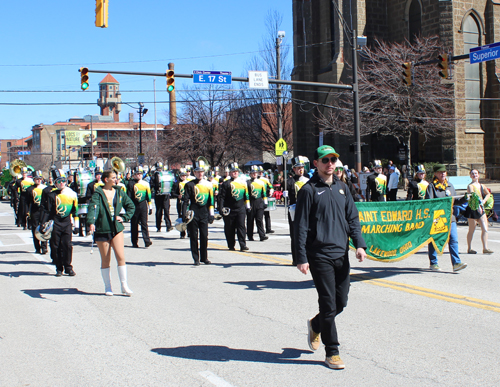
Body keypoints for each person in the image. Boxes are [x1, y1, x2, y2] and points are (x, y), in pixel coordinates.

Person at [294, 145, 367, 370]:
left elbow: (353, 219)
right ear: (315, 163)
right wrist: (301, 257)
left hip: (340, 254)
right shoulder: (308, 190)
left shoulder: (343, 188)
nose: (330, 164)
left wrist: (359, 245)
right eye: (325, 160)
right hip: (319, 256)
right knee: (328, 303)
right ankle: (332, 351)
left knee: (340, 302)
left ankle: (316, 324)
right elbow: (300, 227)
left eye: (333, 159)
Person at [87, 170, 136, 296]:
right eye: (113, 178)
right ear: (106, 180)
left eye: (116, 177)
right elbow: (93, 208)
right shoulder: (98, 193)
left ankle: (124, 285)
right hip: (102, 228)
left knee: (121, 257)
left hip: (116, 228)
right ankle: (108, 287)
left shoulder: (119, 192)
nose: (116, 179)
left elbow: (131, 206)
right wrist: (91, 222)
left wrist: (124, 217)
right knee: (106, 259)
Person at [425, 164, 468, 272]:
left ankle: (456, 263)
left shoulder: (450, 186)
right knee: (435, 240)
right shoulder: (431, 187)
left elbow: (454, 201)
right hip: (438, 218)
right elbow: (429, 203)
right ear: (435, 174)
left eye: (444, 172)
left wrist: (464, 199)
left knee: (453, 240)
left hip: (450, 217)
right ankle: (433, 263)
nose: (443, 174)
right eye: (440, 172)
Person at [39, 169, 79, 277]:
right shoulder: (52, 195)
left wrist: (77, 226)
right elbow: (47, 210)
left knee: (67, 245)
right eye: (58, 181)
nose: (61, 183)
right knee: (55, 246)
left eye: (63, 181)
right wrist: (43, 223)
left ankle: (68, 267)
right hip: (55, 222)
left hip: (66, 223)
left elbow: (75, 211)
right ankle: (59, 268)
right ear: (55, 183)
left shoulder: (72, 194)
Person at [182, 160, 215, 265]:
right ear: (194, 173)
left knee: (204, 236)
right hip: (193, 213)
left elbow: (211, 201)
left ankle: (204, 257)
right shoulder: (189, 185)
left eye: (201, 171)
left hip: (204, 212)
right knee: (194, 237)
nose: (200, 173)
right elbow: (185, 201)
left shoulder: (209, 184)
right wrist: (184, 214)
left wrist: (212, 214)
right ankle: (196, 258)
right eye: (197, 172)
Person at [218, 162, 250, 251]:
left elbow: (246, 195)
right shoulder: (226, 183)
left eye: (236, 171)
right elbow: (222, 197)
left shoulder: (243, 183)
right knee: (229, 228)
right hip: (229, 209)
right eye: (233, 171)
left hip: (240, 209)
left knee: (241, 226)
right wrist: (220, 208)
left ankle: (243, 244)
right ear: (230, 173)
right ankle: (231, 244)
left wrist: (248, 206)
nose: (235, 173)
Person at [285, 156, 309, 265]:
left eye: (302, 167)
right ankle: (296, 259)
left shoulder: (308, 180)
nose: (300, 170)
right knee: (295, 235)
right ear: (294, 169)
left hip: (307, 208)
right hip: (294, 209)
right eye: (298, 168)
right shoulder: (289, 181)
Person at [465, 169, 493, 254]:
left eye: (476, 173)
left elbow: (488, 194)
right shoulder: (470, 186)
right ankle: (469, 248)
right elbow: (473, 196)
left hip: (481, 208)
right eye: (472, 174)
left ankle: (485, 248)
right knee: (472, 229)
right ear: (470, 176)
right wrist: (478, 206)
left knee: (485, 228)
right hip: (473, 209)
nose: (474, 175)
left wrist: (484, 201)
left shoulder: (482, 185)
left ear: (478, 175)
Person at [126, 167, 152, 248]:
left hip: (143, 204)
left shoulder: (146, 184)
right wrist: (129, 208)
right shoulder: (131, 183)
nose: (139, 176)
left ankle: (147, 240)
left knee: (144, 223)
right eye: (137, 174)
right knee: (134, 224)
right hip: (134, 205)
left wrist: (150, 206)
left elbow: (149, 196)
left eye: (140, 174)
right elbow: (129, 196)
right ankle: (134, 242)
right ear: (134, 176)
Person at [25, 171, 48, 254]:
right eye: (37, 179)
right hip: (35, 211)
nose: (39, 180)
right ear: (34, 179)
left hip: (43, 211)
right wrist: (27, 212)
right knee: (35, 229)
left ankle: (44, 246)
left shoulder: (45, 188)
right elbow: (27, 202)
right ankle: (37, 247)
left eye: (40, 179)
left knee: (44, 228)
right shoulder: (30, 189)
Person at [246, 165, 268, 242]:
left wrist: (265, 202)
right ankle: (250, 235)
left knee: (259, 219)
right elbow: (246, 195)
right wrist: (247, 205)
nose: (254, 174)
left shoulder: (261, 183)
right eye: (253, 173)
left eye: (255, 172)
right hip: (251, 202)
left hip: (259, 202)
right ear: (250, 174)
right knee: (250, 220)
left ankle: (262, 235)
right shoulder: (247, 183)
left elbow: (264, 193)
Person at [152, 162, 173, 232]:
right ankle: (158, 227)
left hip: (166, 195)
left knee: (166, 211)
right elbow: (152, 184)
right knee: (159, 211)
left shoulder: (165, 174)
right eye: (158, 168)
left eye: (160, 168)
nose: (159, 170)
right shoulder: (154, 175)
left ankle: (168, 226)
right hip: (158, 195)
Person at [171, 168, 189, 239]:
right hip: (180, 202)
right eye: (182, 175)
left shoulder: (189, 183)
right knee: (182, 217)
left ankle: (189, 232)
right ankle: (182, 233)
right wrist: (178, 196)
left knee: (189, 217)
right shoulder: (177, 183)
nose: (183, 177)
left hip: (188, 202)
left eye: (184, 175)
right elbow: (172, 193)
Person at [258, 166, 275, 234]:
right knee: (258, 216)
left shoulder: (265, 180)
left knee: (267, 214)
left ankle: (268, 228)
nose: (261, 173)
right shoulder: (255, 180)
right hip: (258, 198)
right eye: (260, 172)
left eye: (262, 172)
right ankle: (260, 229)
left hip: (265, 197)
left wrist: (271, 191)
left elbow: (271, 187)